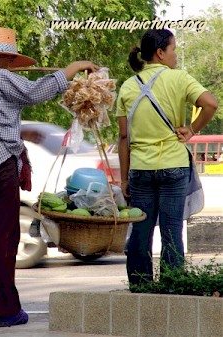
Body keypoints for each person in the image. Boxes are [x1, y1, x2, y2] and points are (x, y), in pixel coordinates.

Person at [0, 26, 99, 327]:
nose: (10, 65)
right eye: (8, 60)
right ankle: (5, 310)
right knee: (7, 238)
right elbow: (35, 92)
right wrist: (71, 70)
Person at [116, 29, 218, 289]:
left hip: (139, 169)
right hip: (174, 165)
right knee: (172, 229)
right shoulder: (179, 78)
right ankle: (171, 289)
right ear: (160, 53)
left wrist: (124, 180)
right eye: (173, 50)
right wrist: (192, 129)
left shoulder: (128, 86)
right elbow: (211, 104)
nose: (175, 56)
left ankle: (140, 287)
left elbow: (124, 138)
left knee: (140, 230)